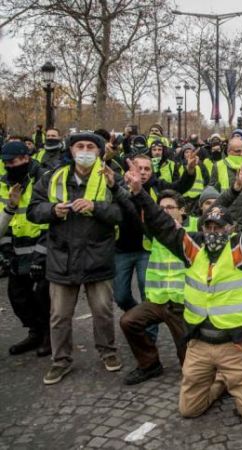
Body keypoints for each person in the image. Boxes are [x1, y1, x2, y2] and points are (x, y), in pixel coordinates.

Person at [126, 153, 242, 422]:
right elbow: (161, 223)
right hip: (199, 344)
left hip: (234, 344)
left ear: (231, 229)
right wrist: (139, 193)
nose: (213, 232)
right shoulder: (192, 247)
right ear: (201, 228)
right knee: (188, 410)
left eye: (219, 227)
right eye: (208, 227)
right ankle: (222, 382)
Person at [28, 132, 124, 385]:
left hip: (97, 255)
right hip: (62, 256)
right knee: (59, 315)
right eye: (79, 146)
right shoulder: (52, 177)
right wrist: (52, 210)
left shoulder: (110, 178)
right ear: (70, 151)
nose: (84, 150)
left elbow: (123, 213)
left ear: (99, 151)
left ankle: (108, 351)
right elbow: (33, 210)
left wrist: (96, 207)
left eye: (90, 146)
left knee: (103, 311)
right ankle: (60, 360)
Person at [119, 190, 196, 385]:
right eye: (161, 208)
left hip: (182, 303)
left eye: (170, 207)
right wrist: (115, 188)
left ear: (182, 210)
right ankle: (149, 364)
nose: (165, 212)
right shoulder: (154, 232)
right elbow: (132, 208)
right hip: (158, 300)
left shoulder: (195, 229)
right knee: (128, 321)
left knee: (189, 366)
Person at [1, 141, 50, 356]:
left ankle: (49, 334)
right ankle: (35, 331)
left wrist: (43, 252)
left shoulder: (43, 178)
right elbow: (3, 218)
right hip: (17, 247)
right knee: (17, 296)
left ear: (26, 158)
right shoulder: (4, 183)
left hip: (42, 245)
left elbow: (49, 215)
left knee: (43, 295)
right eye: (6, 163)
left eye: (13, 162)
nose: (9, 166)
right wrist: (5, 249)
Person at [209, 129, 242, 230]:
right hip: (231, 223)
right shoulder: (219, 166)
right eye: (238, 151)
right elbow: (212, 194)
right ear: (229, 151)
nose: (241, 154)